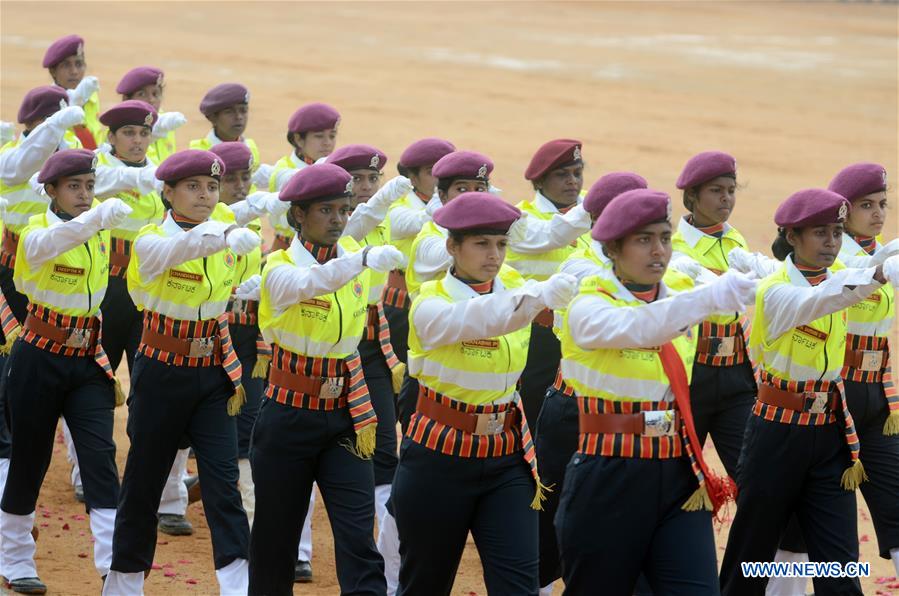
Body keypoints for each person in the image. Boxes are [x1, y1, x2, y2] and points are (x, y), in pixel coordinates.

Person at [555, 188, 755, 595]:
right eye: (643, 240)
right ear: (613, 248)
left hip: (677, 471)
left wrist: (862, 278)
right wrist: (711, 295)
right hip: (608, 472)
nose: (659, 250)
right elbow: (643, 325)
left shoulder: (678, 294)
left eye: (664, 237)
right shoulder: (588, 305)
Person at [391, 191, 577, 595]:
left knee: (519, 587)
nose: (494, 254)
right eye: (481, 243)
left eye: (501, 243)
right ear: (451, 247)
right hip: (438, 459)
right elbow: (483, 316)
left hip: (505, 456)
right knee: (425, 584)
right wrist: (541, 295)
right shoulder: (429, 302)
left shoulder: (515, 288)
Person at [719, 189, 898, 596]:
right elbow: (824, 298)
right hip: (776, 435)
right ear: (792, 236)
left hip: (830, 433)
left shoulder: (836, 278)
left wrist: (882, 260)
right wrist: (880, 274)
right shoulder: (778, 291)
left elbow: (847, 279)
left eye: (837, 232)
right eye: (821, 233)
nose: (832, 243)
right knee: (751, 557)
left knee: (838, 565)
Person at [103, 150, 260, 594]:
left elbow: (234, 290)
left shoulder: (225, 237)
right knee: (142, 484)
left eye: (212, 187)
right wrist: (225, 232)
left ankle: (238, 587)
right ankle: (123, 584)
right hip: (161, 374)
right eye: (193, 186)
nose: (206, 195)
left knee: (223, 484)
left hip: (214, 373)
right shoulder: (151, 240)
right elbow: (183, 247)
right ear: (168, 192)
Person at [249, 163, 404, 595]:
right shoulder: (278, 268)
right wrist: (361, 260)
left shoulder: (353, 258)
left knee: (357, 537)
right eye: (326, 211)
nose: (338, 220)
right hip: (288, 416)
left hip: (346, 413)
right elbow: (314, 281)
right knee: (275, 540)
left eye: (344, 210)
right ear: (298, 215)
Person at [0, 149, 132, 594]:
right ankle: (16, 559)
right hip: (39, 358)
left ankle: (113, 569)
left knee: (100, 459)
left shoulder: (92, 230)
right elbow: (45, 249)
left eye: (89, 186)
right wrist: (94, 220)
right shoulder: (37, 231)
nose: (84, 194)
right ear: (51, 191)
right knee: (29, 462)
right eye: (73, 186)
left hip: (87, 360)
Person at [534, 171, 651, 592]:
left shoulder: (659, 267)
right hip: (575, 410)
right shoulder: (580, 262)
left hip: (635, 416)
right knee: (552, 515)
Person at [326, 143, 413, 595]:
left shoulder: (386, 228)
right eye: (355, 179)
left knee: (382, 452)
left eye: (371, 180)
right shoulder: (339, 224)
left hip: (371, 349)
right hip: (317, 355)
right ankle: (301, 553)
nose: (363, 188)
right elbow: (356, 224)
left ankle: (388, 567)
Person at [827, 163, 899, 577]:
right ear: (843, 212)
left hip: (876, 393)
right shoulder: (835, 257)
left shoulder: (880, 252)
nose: (878, 213)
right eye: (866, 205)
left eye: (883, 204)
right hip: (837, 391)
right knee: (816, 520)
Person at [669, 151, 757, 479]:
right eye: (716, 190)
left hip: (736, 372)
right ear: (692, 196)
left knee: (753, 475)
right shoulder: (675, 248)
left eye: (731, 190)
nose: (726, 198)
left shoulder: (736, 239)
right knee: (682, 479)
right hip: (694, 373)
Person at [505, 139, 593, 427]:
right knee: (534, 415)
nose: (573, 182)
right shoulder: (520, 219)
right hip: (538, 336)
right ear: (540, 180)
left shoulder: (597, 214)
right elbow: (553, 234)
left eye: (577, 173)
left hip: (585, 334)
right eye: (562, 174)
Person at [0, 86, 85, 322]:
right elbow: (30, 159)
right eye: (48, 120)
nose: (55, 128)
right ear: (30, 123)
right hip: (17, 263)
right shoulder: (11, 156)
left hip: (62, 266)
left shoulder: (72, 147)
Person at [382, 138, 456, 367]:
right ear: (412, 178)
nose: (440, 179)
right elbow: (421, 220)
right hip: (401, 303)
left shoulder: (456, 204)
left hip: (444, 302)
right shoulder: (396, 206)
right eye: (432, 172)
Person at [261, 102, 340, 252]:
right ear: (298, 139)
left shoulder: (334, 167)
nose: (327, 143)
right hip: (287, 248)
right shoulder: (284, 169)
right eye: (319, 136)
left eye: (332, 135)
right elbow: (300, 179)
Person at [115, 66, 187, 163]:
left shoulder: (166, 121)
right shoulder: (119, 127)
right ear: (126, 99)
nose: (151, 100)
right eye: (142, 94)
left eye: (155, 94)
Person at [42, 34, 102, 149]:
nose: (74, 71)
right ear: (53, 71)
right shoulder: (47, 103)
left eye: (79, 64)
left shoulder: (91, 94)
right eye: (66, 65)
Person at [189, 83, 259, 168]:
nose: (239, 117)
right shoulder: (198, 154)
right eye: (229, 112)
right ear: (212, 118)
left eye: (243, 110)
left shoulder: (250, 147)